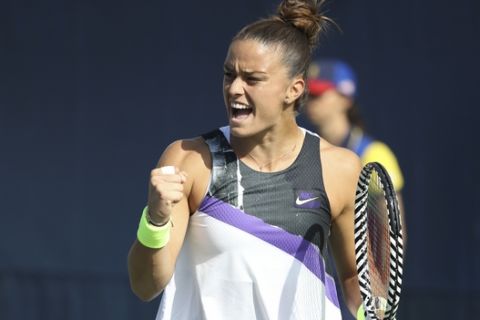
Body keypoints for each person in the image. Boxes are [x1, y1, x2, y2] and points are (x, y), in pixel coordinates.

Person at [128, 1, 365, 319]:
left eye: (252, 79)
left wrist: (371, 311)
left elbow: (353, 278)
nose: (234, 89)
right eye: (229, 75)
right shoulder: (188, 159)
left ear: (293, 90)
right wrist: (155, 220)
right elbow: (145, 286)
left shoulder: (340, 168)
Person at [305, 59, 406, 319]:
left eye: (318, 93)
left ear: (344, 98)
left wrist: (379, 294)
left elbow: (394, 232)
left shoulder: (374, 153)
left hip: (362, 290)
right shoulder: (310, 152)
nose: (311, 100)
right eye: (309, 94)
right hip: (317, 283)